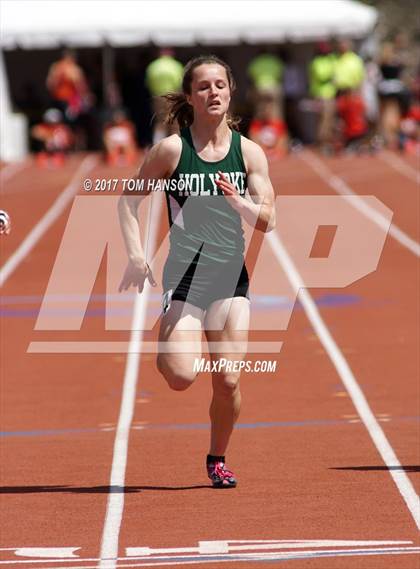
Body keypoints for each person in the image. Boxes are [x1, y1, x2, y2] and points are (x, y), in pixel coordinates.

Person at [118, 55, 276, 488]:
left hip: (230, 279)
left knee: (227, 379)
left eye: (220, 85)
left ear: (231, 92)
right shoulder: (172, 150)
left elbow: (269, 218)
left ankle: (217, 457)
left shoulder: (249, 152)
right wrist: (136, 255)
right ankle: (168, 330)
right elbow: (128, 201)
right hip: (185, 278)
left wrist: (241, 203)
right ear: (189, 95)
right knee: (182, 376)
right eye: (203, 86)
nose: (213, 93)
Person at [145, 48, 184, 144]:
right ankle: (175, 144)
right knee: (174, 122)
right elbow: (180, 84)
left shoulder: (152, 66)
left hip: (157, 96)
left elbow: (148, 83)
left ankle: (157, 143)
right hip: (173, 96)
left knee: (159, 122)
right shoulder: (176, 65)